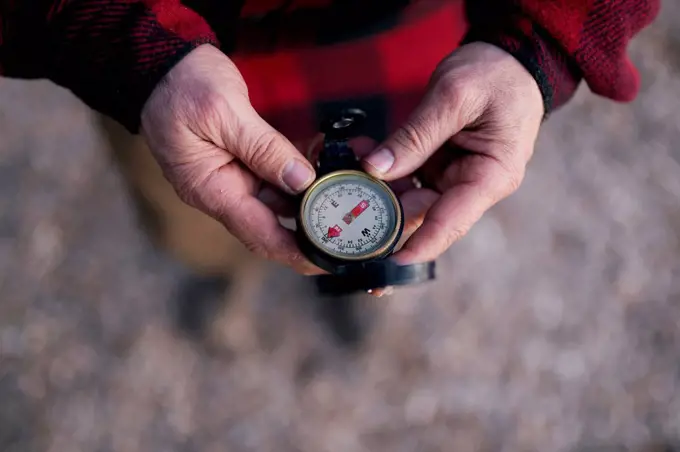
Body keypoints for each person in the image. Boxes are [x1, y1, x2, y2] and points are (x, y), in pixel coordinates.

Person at [0, 0, 660, 278]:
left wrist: (535, 41)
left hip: (421, 60)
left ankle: (360, 279)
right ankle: (224, 273)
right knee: (200, 220)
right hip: (172, 67)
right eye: (349, 218)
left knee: (411, 209)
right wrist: (126, 39)